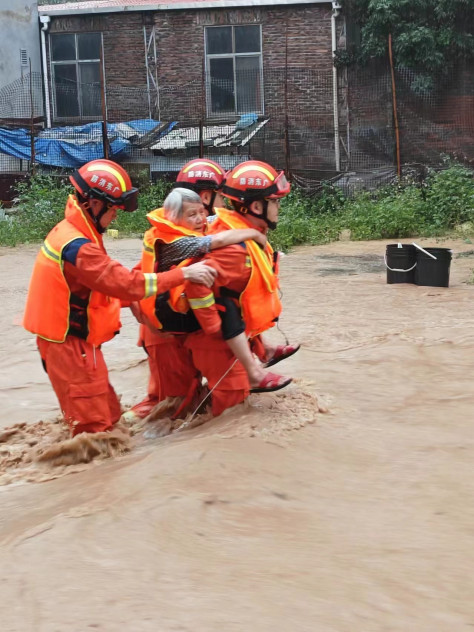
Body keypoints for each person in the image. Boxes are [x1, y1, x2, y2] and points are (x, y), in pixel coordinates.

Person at [23, 159, 216, 437]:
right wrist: (184, 276)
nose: (115, 216)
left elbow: (101, 286)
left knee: (111, 419)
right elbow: (124, 283)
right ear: (93, 204)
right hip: (69, 347)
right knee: (97, 434)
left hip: (72, 344)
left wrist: (135, 299)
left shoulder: (73, 232)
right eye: (112, 209)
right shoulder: (79, 247)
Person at [126, 186, 290, 421]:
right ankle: (134, 432)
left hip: (175, 319)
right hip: (164, 328)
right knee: (171, 401)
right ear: (175, 217)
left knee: (187, 399)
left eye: (202, 212)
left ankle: (263, 352)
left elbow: (222, 218)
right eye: (192, 215)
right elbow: (215, 241)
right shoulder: (174, 243)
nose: (200, 218)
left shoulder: (191, 225)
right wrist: (254, 235)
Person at [183, 160, 299, 417]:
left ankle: (261, 354)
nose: (278, 207)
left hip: (232, 341)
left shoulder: (244, 233)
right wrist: (217, 327)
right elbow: (195, 284)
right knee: (230, 420)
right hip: (217, 346)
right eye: (275, 201)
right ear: (256, 206)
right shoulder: (236, 250)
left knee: (209, 410)